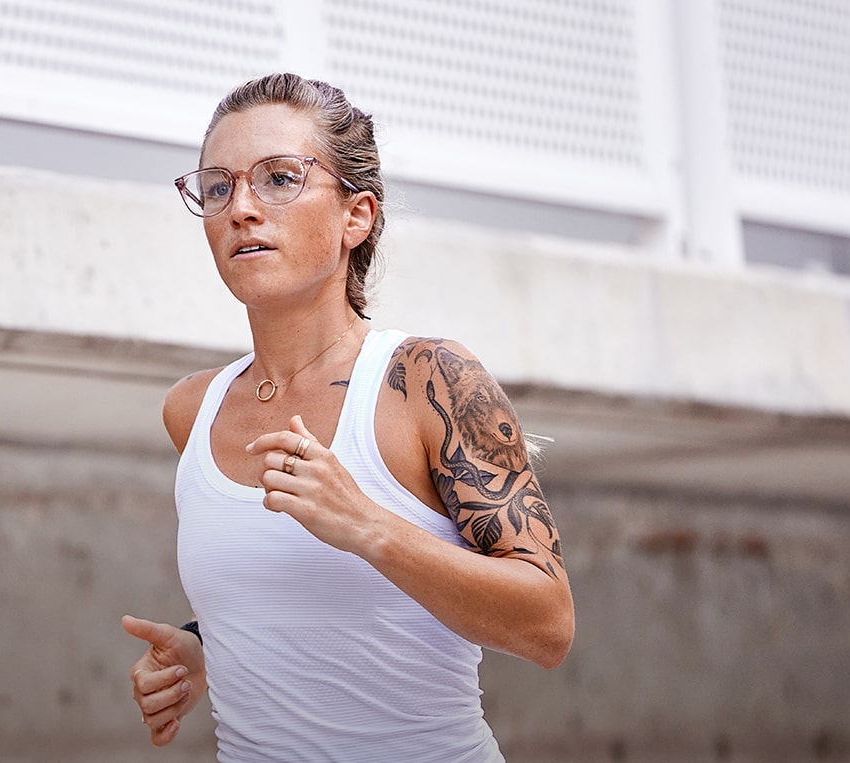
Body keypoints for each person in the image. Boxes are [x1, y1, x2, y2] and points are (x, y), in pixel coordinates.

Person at [120, 73, 574, 761]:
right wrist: (204, 646)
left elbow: (548, 624)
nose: (242, 206)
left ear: (355, 216)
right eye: (218, 186)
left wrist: (367, 525)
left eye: (278, 178)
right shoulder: (192, 409)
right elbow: (298, 592)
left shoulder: (427, 381)